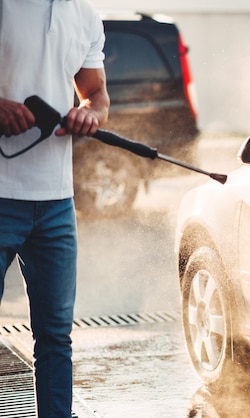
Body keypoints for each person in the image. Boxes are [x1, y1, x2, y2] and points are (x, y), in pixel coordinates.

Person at [0, 1, 110, 417]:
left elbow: (96, 92)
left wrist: (91, 113)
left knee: (56, 338)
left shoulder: (85, 13)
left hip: (55, 203)